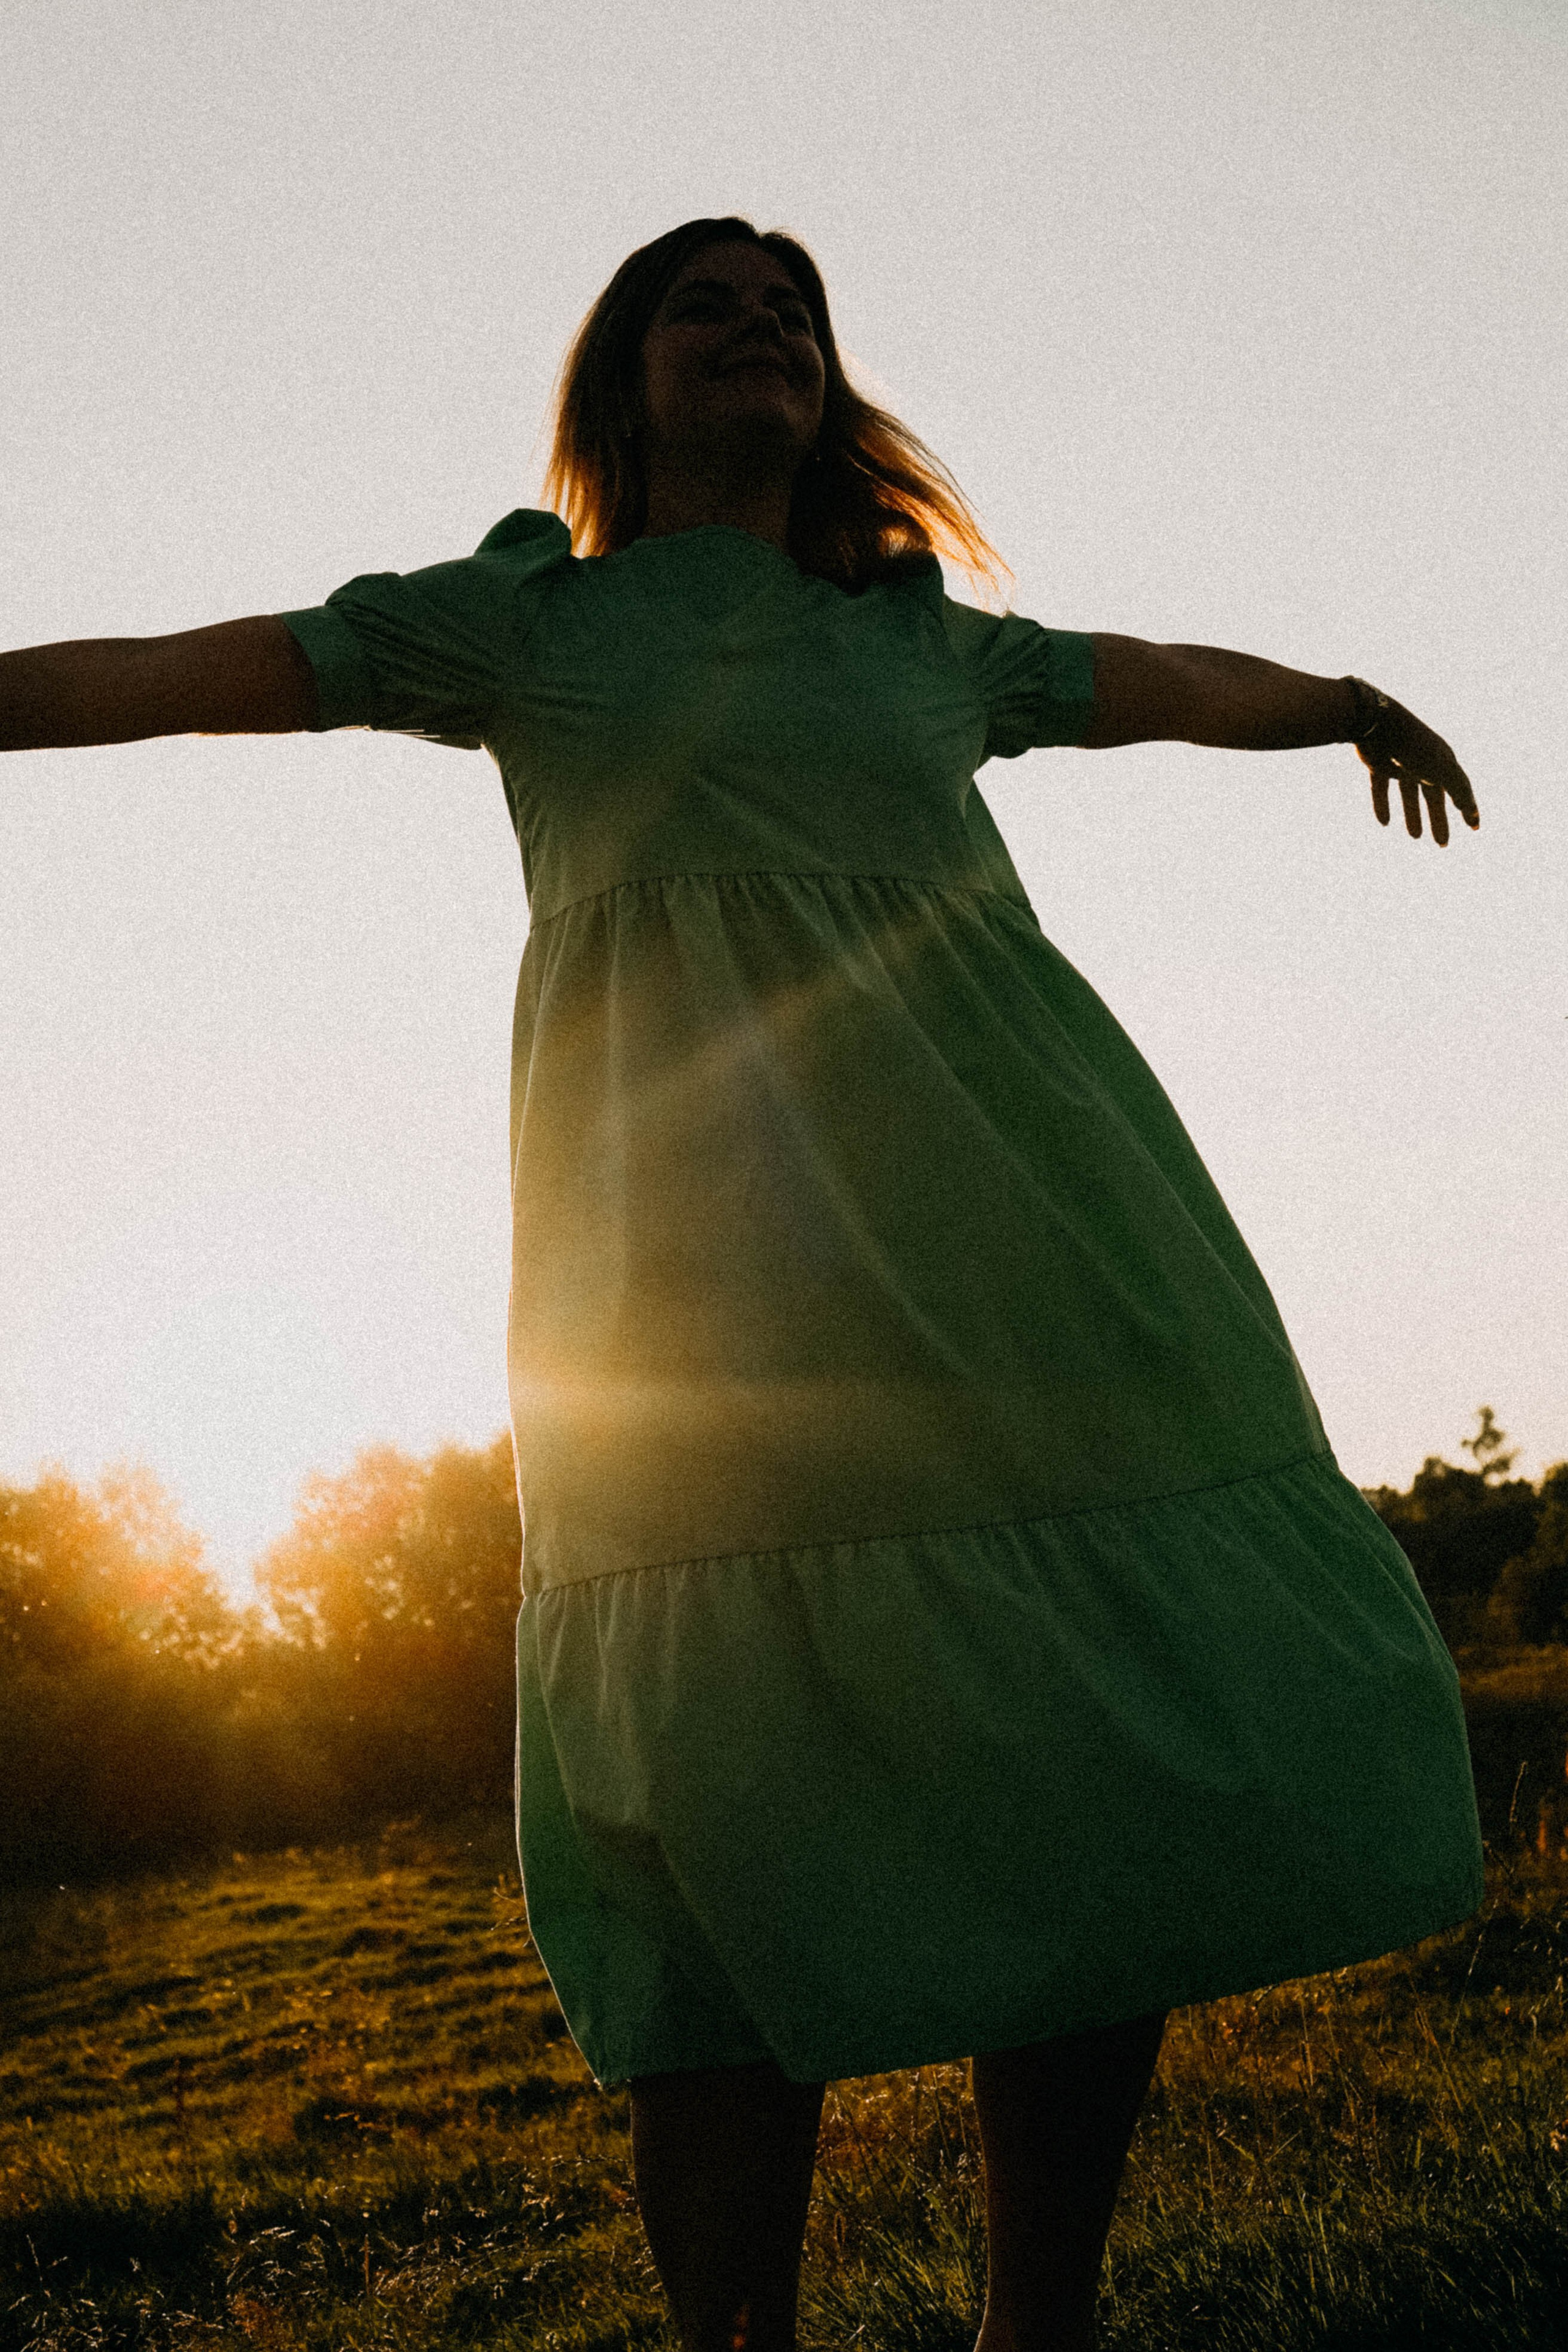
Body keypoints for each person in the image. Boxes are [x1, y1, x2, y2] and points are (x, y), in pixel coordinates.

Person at [2, 216, 1484, 2351]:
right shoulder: (521, 626)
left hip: (1030, 1240)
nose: (760, 329)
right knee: (706, 1817)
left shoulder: (920, 645)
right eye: (706, 303)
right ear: (620, 385)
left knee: (1098, 1767)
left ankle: (1032, 2325)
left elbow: (1154, 685)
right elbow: (200, 673)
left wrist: (1342, 703)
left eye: (792, 310)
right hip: (691, 1291)